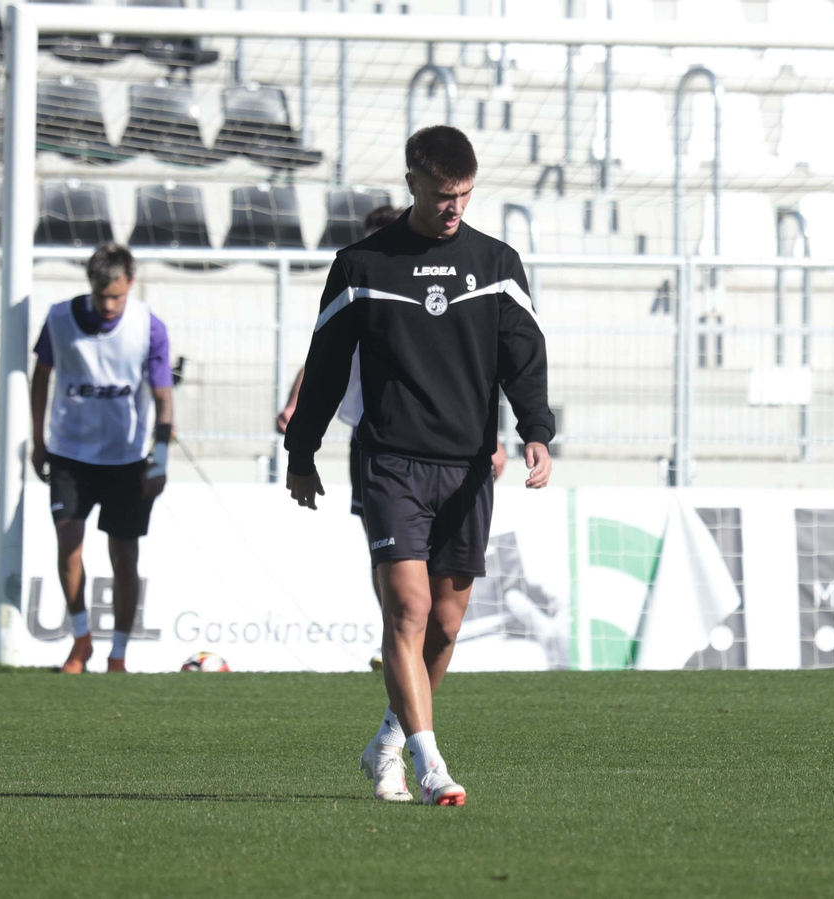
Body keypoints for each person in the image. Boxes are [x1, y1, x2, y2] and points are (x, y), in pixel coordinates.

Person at [284, 126, 555, 806]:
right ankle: (431, 764)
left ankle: (388, 738)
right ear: (412, 182)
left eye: (464, 195)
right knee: (407, 607)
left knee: (447, 622)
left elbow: (523, 356)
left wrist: (536, 431)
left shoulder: (496, 263)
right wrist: (301, 451)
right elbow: (323, 368)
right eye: (441, 194)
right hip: (390, 462)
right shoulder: (361, 265)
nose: (453, 207)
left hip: (466, 469)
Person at [277, 205, 507, 672]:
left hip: (443, 446)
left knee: (434, 593)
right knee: (389, 553)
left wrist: (499, 436)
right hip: (374, 441)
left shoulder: (420, 288)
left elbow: (472, 366)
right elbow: (324, 356)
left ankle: (406, 638)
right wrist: (296, 405)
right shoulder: (362, 276)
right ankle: (400, 628)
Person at [30, 243, 173, 674]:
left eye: (117, 295)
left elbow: (164, 399)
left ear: (130, 283)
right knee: (69, 545)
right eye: (101, 296)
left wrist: (160, 459)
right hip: (70, 454)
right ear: (90, 286)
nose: (109, 305)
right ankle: (80, 641)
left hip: (127, 459)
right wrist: (37, 442)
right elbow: (41, 380)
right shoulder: (59, 318)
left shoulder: (149, 326)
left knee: (124, 556)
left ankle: (119, 654)